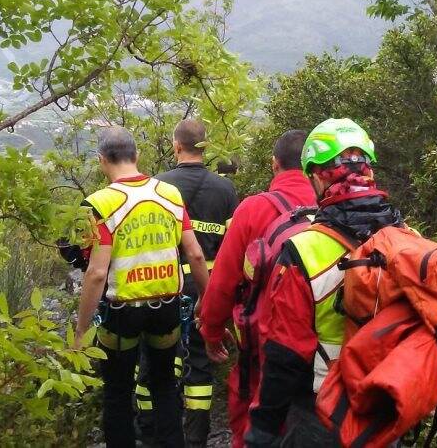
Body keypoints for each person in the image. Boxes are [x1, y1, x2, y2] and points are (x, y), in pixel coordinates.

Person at [245, 118, 404, 447]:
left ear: (318, 176)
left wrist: (261, 428)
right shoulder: (406, 239)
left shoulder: (304, 249)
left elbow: (285, 355)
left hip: (322, 413)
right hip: (387, 406)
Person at [74, 126, 209, 448]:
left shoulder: (98, 204)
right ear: (137, 155)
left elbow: (95, 273)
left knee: (118, 391)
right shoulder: (169, 195)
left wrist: (80, 331)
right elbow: (195, 253)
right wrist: (207, 297)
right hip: (167, 308)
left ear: (101, 160)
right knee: (165, 386)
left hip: (122, 314)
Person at [199, 129, 316, 448]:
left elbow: (223, 282)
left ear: (274, 164)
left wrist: (210, 332)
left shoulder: (254, 209)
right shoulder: (332, 205)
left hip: (266, 350)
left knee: (255, 427)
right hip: (326, 352)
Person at [136, 119, 239, 447]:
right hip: (208, 285)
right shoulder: (225, 189)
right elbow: (232, 247)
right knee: (200, 361)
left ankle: (150, 431)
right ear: (204, 147)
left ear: (176, 146)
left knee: (155, 359)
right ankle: (196, 436)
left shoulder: (157, 185)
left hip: (166, 282)